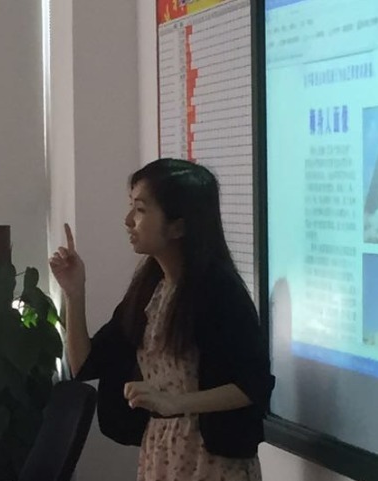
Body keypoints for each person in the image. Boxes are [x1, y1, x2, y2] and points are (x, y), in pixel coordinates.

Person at [49, 158, 275, 481]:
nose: (128, 220)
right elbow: (84, 364)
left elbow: (252, 385)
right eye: (131, 207)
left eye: (141, 210)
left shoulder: (219, 292)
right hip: (162, 448)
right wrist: (74, 293)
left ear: (178, 226)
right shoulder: (151, 289)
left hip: (211, 458)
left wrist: (175, 402)